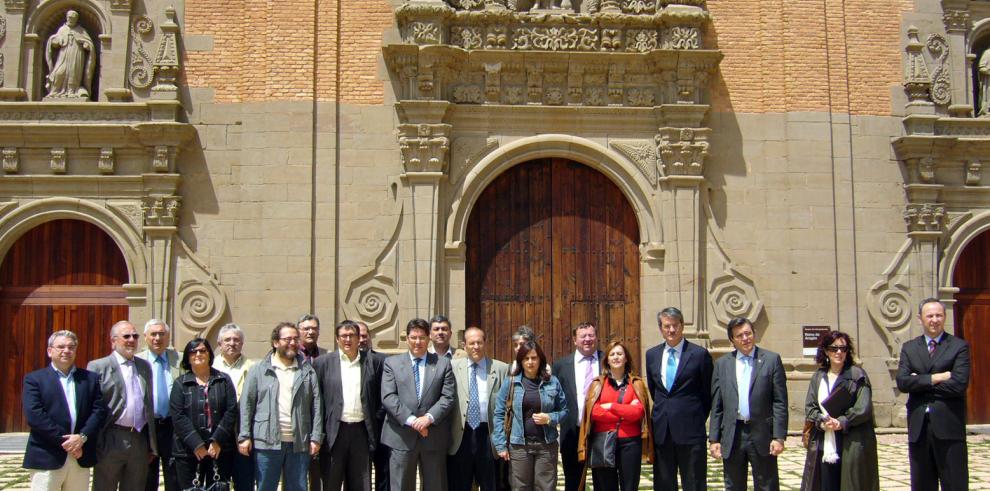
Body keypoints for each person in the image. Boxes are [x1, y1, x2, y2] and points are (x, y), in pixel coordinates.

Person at [239, 322, 324, 491]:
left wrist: (316, 437)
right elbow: (247, 404)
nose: (292, 342)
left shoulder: (307, 371)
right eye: (287, 339)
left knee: (298, 488)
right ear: (275, 342)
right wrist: (244, 436)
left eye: (295, 339)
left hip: (299, 442)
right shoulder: (259, 370)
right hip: (267, 442)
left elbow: (317, 406)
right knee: (265, 487)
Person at [896, 298, 970, 491]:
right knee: (921, 484)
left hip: (949, 426)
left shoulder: (958, 346)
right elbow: (903, 382)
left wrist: (919, 380)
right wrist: (937, 377)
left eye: (939, 315)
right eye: (930, 315)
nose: (934, 320)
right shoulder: (910, 348)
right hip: (919, 428)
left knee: (955, 484)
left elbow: (958, 385)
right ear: (920, 319)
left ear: (944, 317)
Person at [22, 330, 108, 491]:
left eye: (71, 347)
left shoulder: (90, 379)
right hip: (47, 455)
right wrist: (68, 443)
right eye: (61, 347)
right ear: (50, 351)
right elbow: (34, 415)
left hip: (80, 456)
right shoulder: (34, 379)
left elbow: (99, 412)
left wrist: (82, 438)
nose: (66, 351)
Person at [709, 317, 788, 491]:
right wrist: (714, 439)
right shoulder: (722, 365)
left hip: (762, 434)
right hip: (733, 434)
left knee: (767, 485)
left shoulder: (771, 360)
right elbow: (717, 405)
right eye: (740, 335)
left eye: (748, 333)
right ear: (732, 340)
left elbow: (780, 401)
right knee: (733, 485)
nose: (745, 338)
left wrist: (779, 436)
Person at [380, 318, 456, 491]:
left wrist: (428, 419)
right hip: (401, 437)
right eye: (413, 337)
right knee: (400, 486)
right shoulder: (392, 363)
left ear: (428, 338)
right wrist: (413, 420)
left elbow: (448, 397)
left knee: (435, 486)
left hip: (433, 436)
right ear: (407, 338)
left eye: (422, 338)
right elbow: (388, 397)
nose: (417, 342)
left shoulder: (442, 364)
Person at [800, 331, 878, 491]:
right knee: (825, 484)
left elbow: (863, 408)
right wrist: (822, 422)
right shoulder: (818, 376)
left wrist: (841, 422)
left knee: (850, 484)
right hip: (824, 441)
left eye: (843, 348)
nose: (839, 352)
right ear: (826, 351)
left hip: (851, 442)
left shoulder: (857, 375)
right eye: (834, 348)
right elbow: (810, 407)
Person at [645, 307, 713, 491]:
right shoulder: (652, 355)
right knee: (664, 482)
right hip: (662, 430)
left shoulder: (699, 355)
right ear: (661, 328)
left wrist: (695, 416)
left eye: (675, 325)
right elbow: (655, 391)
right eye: (667, 326)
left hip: (691, 430)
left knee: (694, 482)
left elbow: (707, 393)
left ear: (682, 326)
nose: (671, 330)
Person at [87, 320, 158, 490]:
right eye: (126, 336)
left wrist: (151, 445)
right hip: (111, 437)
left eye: (135, 336)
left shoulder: (144, 366)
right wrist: (95, 442)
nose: (131, 340)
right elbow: (91, 407)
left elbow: (148, 405)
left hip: (139, 439)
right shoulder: (98, 367)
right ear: (113, 341)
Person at [312, 320, 383, 491]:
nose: (348, 339)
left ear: (359, 338)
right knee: (331, 482)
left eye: (352, 335)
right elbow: (316, 400)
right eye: (343, 336)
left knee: (361, 483)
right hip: (333, 433)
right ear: (337, 339)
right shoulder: (323, 363)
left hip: (361, 432)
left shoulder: (372, 362)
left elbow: (381, 397)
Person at [491, 341, 567, 491]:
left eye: (534, 358)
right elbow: (499, 414)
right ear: (520, 361)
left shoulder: (552, 382)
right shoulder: (511, 383)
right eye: (526, 359)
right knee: (520, 487)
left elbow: (564, 410)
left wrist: (550, 418)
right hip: (519, 446)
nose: (530, 362)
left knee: (545, 487)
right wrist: (500, 445)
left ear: (541, 360)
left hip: (546, 445)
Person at [576, 340, 652, 491]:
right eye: (612, 354)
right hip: (603, 441)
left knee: (629, 486)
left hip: (630, 442)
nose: (616, 357)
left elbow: (637, 413)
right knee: (604, 487)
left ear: (626, 358)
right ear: (607, 360)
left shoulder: (636, 384)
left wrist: (612, 406)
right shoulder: (598, 384)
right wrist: (625, 411)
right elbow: (594, 412)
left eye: (619, 354)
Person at [447, 326, 510, 491]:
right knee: (459, 484)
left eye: (479, 342)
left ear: (485, 343)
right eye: (471, 343)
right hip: (461, 434)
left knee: (491, 484)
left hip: (489, 433)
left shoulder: (501, 369)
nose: (476, 346)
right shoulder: (452, 367)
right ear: (464, 345)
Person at [170, 338, 238, 489]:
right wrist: (197, 444)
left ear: (209, 354)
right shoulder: (180, 383)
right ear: (188, 357)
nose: (198, 354)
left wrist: (217, 440)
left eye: (202, 350)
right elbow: (178, 416)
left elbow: (231, 411)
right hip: (188, 451)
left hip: (219, 450)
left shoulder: (223, 380)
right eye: (193, 351)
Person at [552, 323, 601, 491]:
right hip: (572, 432)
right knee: (573, 482)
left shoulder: (608, 361)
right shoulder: (560, 366)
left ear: (596, 337)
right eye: (583, 336)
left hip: (602, 432)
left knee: (604, 481)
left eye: (591, 335)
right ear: (574, 340)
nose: (587, 339)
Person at [136, 319, 181, 491]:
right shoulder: (137, 361)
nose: (157, 338)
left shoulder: (180, 359)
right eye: (153, 334)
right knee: (147, 475)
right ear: (146, 337)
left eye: (161, 334)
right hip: (147, 426)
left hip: (173, 425)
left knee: (174, 475)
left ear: (168, 336)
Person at [213, 322, 256, 490]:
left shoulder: (253, 367)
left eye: (236, 340)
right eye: (227, 340)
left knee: (244, 482)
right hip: (218, 434)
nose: (232, 343)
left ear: (242, 343)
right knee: (218, 482)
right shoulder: (211, 367)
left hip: (243, 433)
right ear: (219, 344)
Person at [357, 321, 390, 491]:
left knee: (384, 473)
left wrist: (377, 416)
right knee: (358, 474)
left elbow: (389, 393)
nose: (361, 339)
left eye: (364, 335)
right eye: (358, 335)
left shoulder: (383, 361)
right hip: (355, 428)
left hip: (381, 427)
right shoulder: (338, 364)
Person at [297, 314, 326, 491]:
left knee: (319, 478)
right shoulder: (291, 355)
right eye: (306, 328)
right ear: (298, 331)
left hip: (319, 424)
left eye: (314, 328)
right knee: (296, 478)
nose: (310, 332)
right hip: (296, 424)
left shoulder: (327, 355)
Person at [44, 10, 95, 98]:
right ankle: (55, 91)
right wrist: (56, 41)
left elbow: (89, 43)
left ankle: (72, 92)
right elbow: (54, 42)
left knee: (74, 72)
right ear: (67, 18)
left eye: (73, 18)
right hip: (64, 54)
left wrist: (87, 45)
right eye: (70, 17)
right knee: (58, 72)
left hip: (76, 54)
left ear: (76, 19)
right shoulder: (62, 29)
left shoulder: (81, 30)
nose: (71, 19)